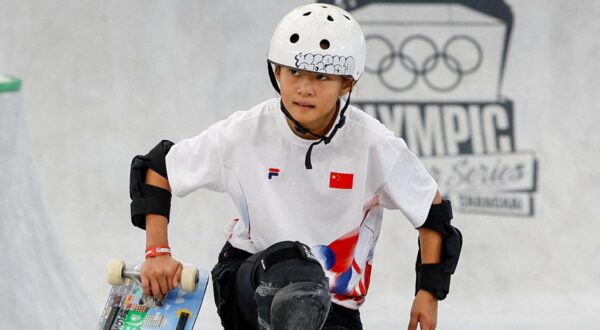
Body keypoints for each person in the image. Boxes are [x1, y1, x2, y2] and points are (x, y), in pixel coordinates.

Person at [129, 3, 461, 330]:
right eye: (294, 72)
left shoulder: (373, 144)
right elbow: (158, 167)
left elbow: (431, 214)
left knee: (307, 288)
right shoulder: (244, 133)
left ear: (347, 84)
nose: (304, 88)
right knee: (296, 272)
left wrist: (428, 294)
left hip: (333, 304)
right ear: (276, 72)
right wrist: (157, 252)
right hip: (247, 279)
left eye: (321, 76)